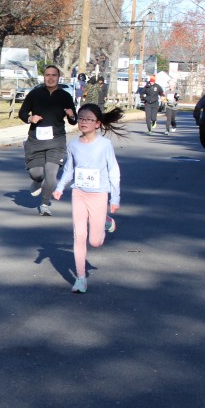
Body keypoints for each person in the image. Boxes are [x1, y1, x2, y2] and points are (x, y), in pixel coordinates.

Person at [52, 103, 124, 294]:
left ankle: (106, 221)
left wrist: (115, 198)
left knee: (95, 242)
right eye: (81, 118)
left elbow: (113, 171)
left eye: (89, 119)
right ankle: (81, 278)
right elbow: (69, 170)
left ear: (98, 123)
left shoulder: (104, 145)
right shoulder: (73, 144)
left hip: (99, 194)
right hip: (79, 194)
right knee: (79, 236)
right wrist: (60, 187)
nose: (84, 122)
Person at [18, 64, 77, 215]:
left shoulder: (65, 96)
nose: (50, 78)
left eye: (54, 75)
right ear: (44, 77)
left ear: (58, 77)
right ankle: (37, 181)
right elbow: (22, 112)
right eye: (47, 75)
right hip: (36, 139)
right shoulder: (35, 94)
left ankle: (44, 204)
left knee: (51, 175)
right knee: (36, 173)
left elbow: (73, 120)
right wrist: (30, 118)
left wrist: (71, 115)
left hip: (56, 140)